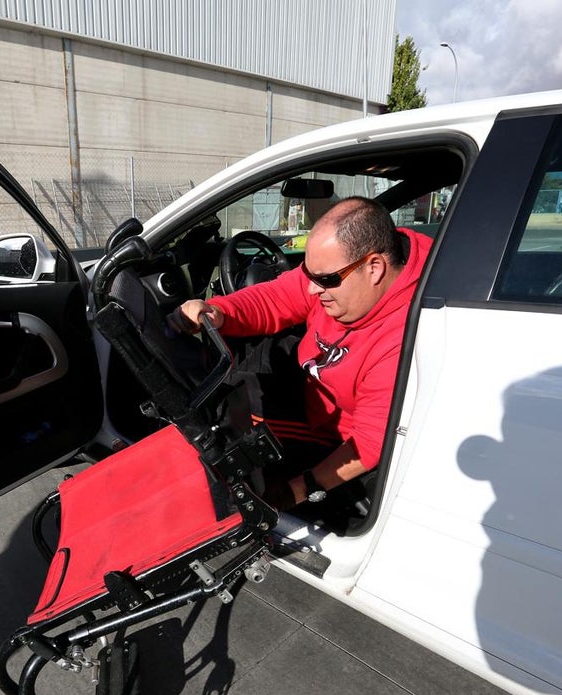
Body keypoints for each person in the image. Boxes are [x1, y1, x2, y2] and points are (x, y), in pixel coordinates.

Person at [167, 197, 433, 516]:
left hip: (336, 438)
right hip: (314, 393)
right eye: (310, 274)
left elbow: (368, 442)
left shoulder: (407, 336)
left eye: (325, 280)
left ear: (374, 267)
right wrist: (219, 311)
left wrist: (296, 491)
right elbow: (280, 296)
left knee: (223, 445)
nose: (311, 290)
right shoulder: (343, 275)